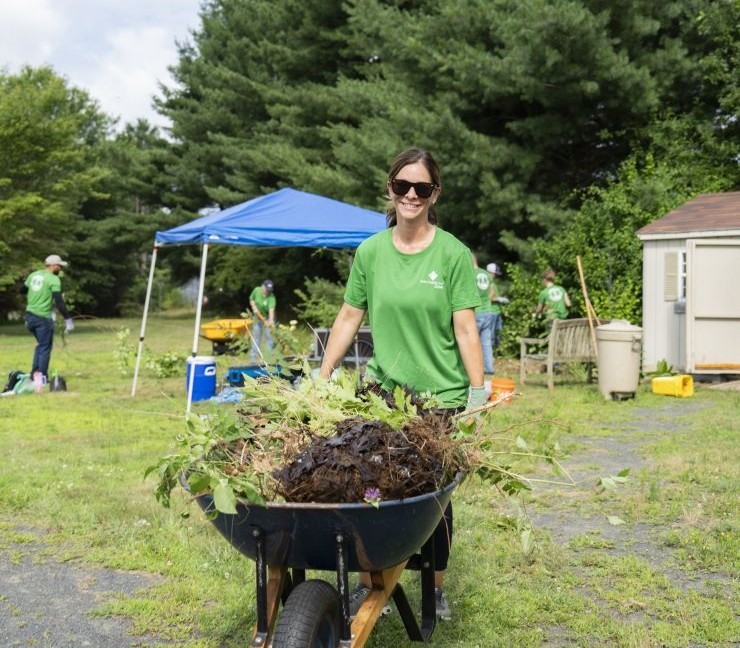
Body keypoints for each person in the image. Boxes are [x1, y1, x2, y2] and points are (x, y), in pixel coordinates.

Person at [319, 148, 487, 621]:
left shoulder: (452, 253)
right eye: (402, 186)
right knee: (367, 487)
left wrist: (478, 394)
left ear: (435, 194)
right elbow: (350, 315)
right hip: (384, 394)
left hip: (441, 398)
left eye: (422, 188)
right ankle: (371, 582)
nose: (411, 195)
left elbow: (466, 328)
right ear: (390, 190)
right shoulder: (370, 252)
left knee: (431, 499)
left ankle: (435, 588)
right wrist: (323, 374)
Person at [20, 254, 74, 391]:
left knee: (40, 346)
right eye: (59, 266)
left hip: (29, 316)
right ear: (53, 265)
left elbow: (22, 290)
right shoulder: (53, 279)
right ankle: (41, 378)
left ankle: (34, 374)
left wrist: (35, 297)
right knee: (45, 348)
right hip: (42, 318)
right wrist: (68, 319)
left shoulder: (33, 275)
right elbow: (59, 301)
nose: (61, 268)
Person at [473, 254, 496, 375]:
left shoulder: (470, 274)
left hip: (476, 312)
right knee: (486, 342)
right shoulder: (487, 274)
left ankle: (471, 368)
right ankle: (489, 368)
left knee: (471, 341)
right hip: (488, 311)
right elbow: (492, 294)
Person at [248, 279, 276, 361]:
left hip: (267, 317)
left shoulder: (272, 296)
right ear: (263, 287)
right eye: (267, 290)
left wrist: (270, 321)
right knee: (256, 337)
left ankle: (268, 360)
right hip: (257, 318)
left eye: (269, 290)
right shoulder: (257, 290)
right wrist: (254, 307)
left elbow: (271, 310)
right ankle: (252, 360)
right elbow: (251, 299)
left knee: (270, 338)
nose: (268, 292)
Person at [486, 262, 509, 349]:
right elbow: (490, 298)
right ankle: (490, 354)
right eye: (495, 274)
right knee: (491, 335)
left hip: (496, 311)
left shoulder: (492, 283)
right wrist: (500, 299)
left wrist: (499, 298)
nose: (496, 276)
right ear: (490, 272)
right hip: (491, 311)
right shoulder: (488, 282)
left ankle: (497, 351)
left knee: (498, 334)